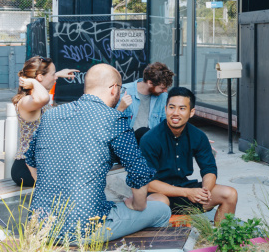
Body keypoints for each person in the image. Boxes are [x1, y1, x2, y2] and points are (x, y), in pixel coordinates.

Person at [26, 64, 171, 241]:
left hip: (40, 227)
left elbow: (30, 160)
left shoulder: (50, 115)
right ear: (113, 89)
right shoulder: (113, 119)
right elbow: (139, 172)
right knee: (162, 210)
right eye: (119, 88)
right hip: (85, 228)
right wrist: (137, 205)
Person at [140, 87, 237, 223]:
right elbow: (147, 183)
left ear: (191, 112)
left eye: (182, 108)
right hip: (158, 193)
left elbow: (209, 169)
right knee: (160, 204)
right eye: (172, 107)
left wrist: (205, 191)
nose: (175, 113)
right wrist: (187, 193)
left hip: (186, 190)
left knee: (229, 194)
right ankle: (159, 241)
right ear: (165, 108)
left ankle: (222, 240)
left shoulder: (198, 136)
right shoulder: (150, 139)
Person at [11, 56, 79, 187]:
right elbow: (43, 98)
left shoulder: (35, 98)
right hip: (26, 169)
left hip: (40, 165)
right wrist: (34, 82)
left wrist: (57, 74)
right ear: (40, 77)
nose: (55, 78)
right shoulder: (26, 102)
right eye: (53, 74)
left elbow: (43, 91)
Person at [118, 62, 175, 143]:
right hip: (127, 144)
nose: (165, 91)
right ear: (150, 83)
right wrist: (121, 108)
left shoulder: (163, 97)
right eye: (162, 88)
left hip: (152, 143)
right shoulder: (123, 92)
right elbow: (111, 124)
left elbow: (166, 124)